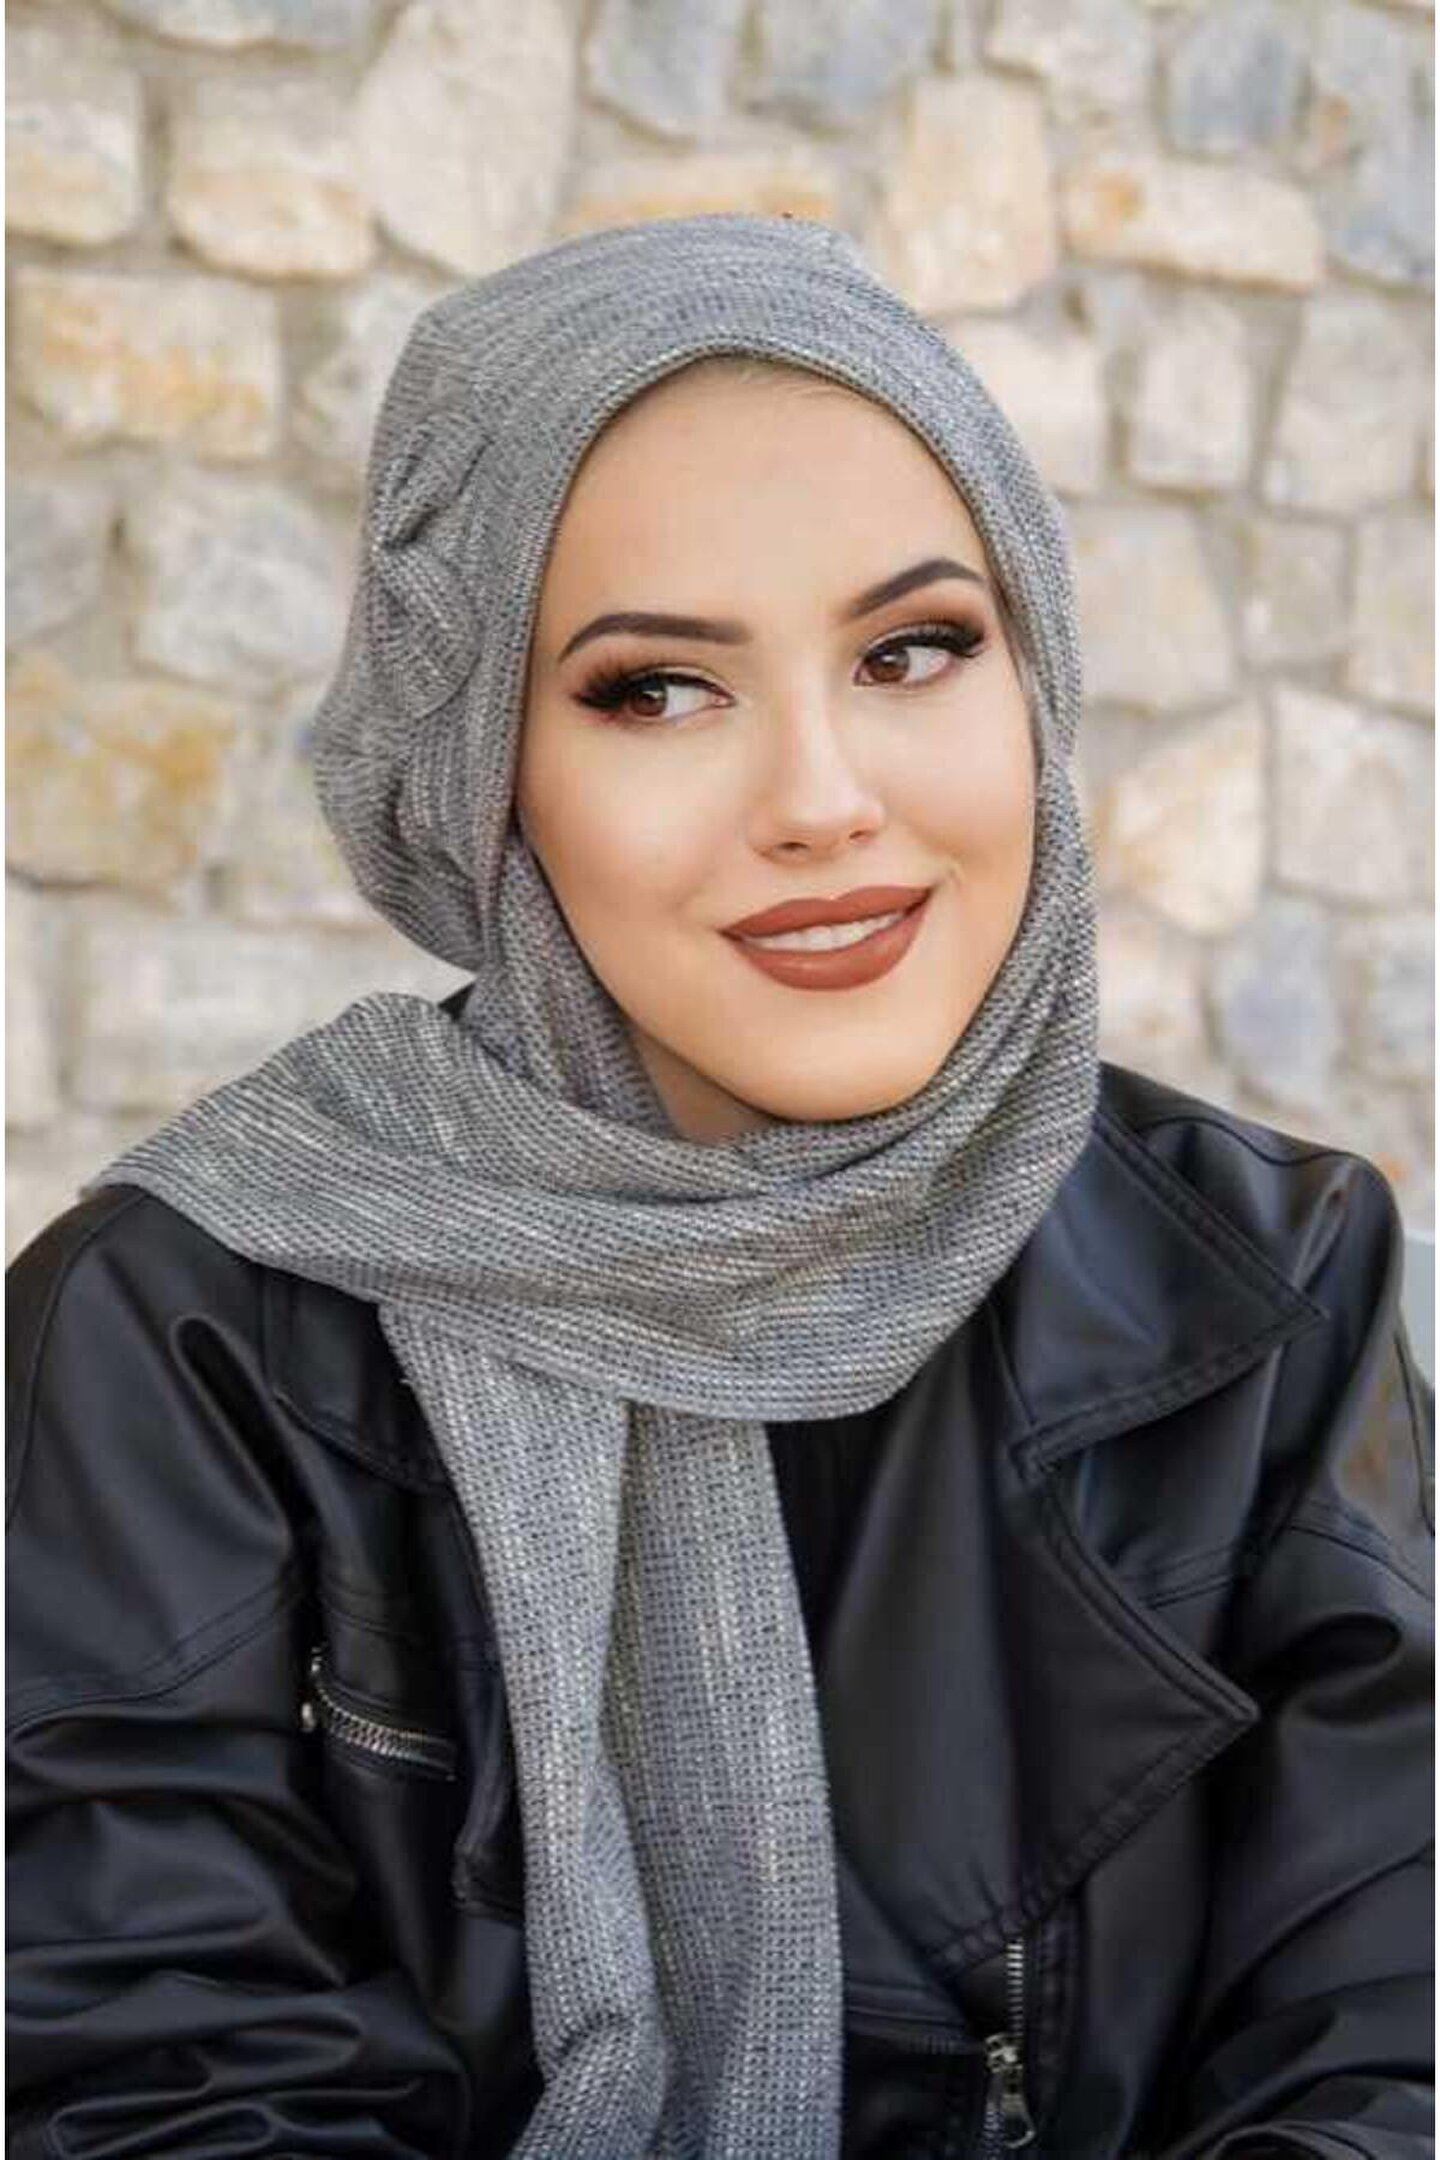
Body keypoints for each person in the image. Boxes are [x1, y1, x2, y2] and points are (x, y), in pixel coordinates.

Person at [6, 214, 1432, 2159]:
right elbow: (154, 2089)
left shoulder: (1272, 1292)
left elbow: (1388, 2057)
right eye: (657, 691)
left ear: (1035, 680)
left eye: (914, 650)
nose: (825, 799)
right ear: (478, 772)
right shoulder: (181, 1337)